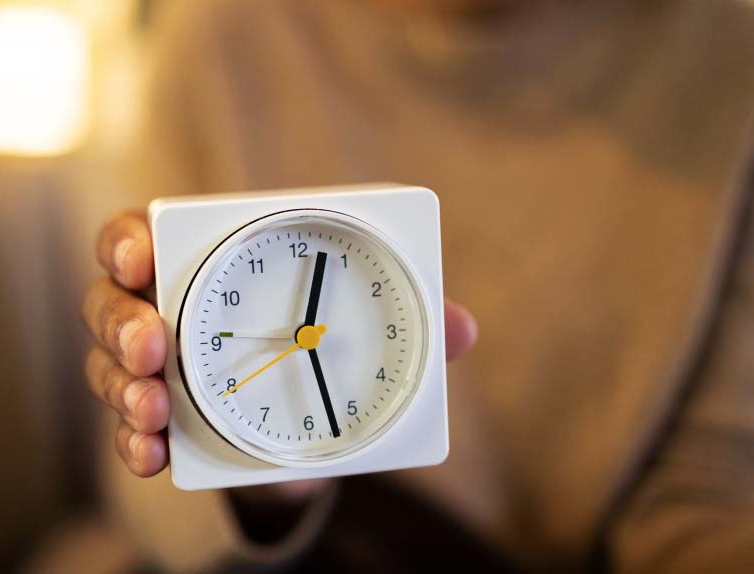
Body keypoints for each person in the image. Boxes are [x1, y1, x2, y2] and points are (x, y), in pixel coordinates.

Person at [81, 0, 754, 571]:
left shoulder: (730, 59)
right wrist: (248, 480)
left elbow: (710, 488)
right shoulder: (223, 37)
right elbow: (151, 484)